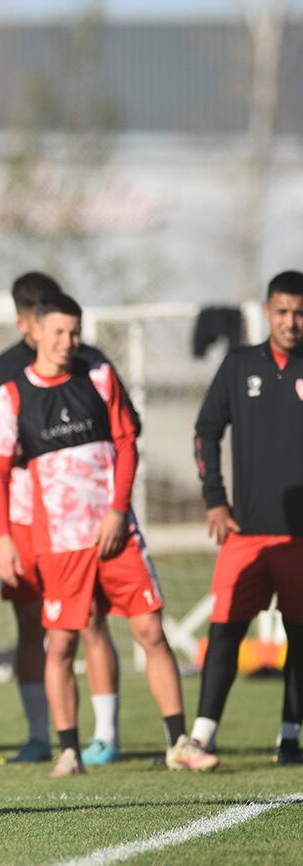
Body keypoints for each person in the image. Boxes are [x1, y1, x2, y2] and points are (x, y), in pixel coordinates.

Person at [0, 291, 216, 776]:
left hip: (117, 534)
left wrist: (117, 510)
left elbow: (127, 443)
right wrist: (4, 539)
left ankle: (178, 742)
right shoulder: (12, 395)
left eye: (75, 332)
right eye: (59, 333)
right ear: (37, 334)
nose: (68, 342)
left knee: (151, 630)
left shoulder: (98, 375)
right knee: (62, 645)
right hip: (59, 544)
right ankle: (68, 749)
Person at [0, 272, 127, 765]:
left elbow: (124, 435)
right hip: (24, 518)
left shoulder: (91, 365)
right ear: (25, 322)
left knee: (93, 621)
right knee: (30, 625)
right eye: (40, 318)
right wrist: (2, 534)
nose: (56, 335)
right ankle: (40, 734)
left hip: (79, 518)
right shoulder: (1, 373)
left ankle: (105, 736)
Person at [189, 270, 303, 765]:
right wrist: (215, 498)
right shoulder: (238, 366)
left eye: (300, 312)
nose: (291, 322)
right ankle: (201, 736)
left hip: (301, 538)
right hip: (247, 533)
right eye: (282, 311)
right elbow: (205, 431)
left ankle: (291, 737)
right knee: (223, 631)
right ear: (266, 312)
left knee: (300, 637)